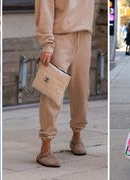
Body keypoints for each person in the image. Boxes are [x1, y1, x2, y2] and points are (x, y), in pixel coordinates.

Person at [35, 0, 94, 167]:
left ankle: (77, 136)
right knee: (51, 92)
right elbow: (44, 8)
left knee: (82, 90)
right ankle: (45, 148)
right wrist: (47, 43)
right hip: (60, 36)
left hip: (84, 34)